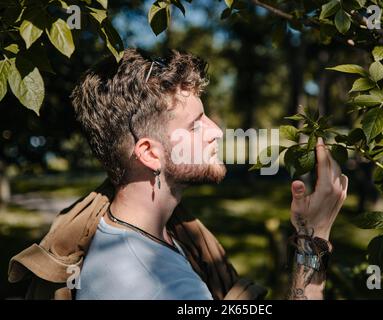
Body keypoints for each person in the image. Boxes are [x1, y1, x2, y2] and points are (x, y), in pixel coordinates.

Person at [8, 49, 347, 300]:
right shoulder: (158, 286)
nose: (216, 131)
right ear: (149, 153)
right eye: (196, 124)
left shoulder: (141, 230)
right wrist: (312, 238)